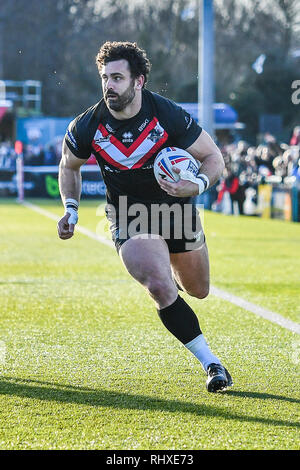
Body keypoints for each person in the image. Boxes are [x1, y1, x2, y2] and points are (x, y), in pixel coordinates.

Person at [57, 41, 233, 393]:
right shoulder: (88, 125)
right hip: (128, 213)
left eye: (117, 78)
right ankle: (212, 364)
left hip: (177, 210)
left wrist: (195, 184)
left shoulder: (167, 115)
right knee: (157, 283)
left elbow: (214, 159)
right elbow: (69, 165)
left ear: (138, 82)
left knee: (199, 290)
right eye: (106, 77)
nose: (109, 85)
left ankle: (170, 266)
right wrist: (71, 208)